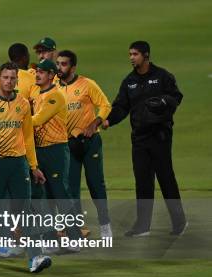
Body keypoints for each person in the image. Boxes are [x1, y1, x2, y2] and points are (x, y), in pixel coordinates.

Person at [97, 41, 187, 236]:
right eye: (130, 54)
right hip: (139, 138)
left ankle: (179, 222)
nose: (131, 58)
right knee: (143, 180)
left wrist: (164, 101)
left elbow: (176, 96)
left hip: (160, 135)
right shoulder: (129, 81)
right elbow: (121, 106)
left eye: (135, 54)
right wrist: (108, 121)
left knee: (166, 178)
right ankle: (143, 225)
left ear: (146, 55)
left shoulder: (162, 76)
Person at [0, 62, 51, 273]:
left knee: (25, 212)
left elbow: (27, 137)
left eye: (12, 78)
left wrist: (33, 166)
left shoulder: (23, 104)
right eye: (5, 77)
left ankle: (35, 258)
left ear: (17, 80)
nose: (8, 81)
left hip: (18, 164)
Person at [55, 50, 113, 238]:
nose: (60, 67)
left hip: (89, 142)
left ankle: (105, 224)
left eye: (64, 64)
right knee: (71, 188)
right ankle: (77, 228)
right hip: (67, 145)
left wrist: (94, 123)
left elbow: (105, 105)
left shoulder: (87, 84)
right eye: (58, 63)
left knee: (96, 184)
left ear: (73, 67)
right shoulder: (53, 86)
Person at [31, 59, 82, 249]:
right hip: (39, 150)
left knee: (60, 193)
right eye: (37, 71)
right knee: (44, 197)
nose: (38, 74)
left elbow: (37, 120)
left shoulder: (56, 96)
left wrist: (14, 116)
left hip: (56, 150)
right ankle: (50, 240)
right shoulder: (37, 94)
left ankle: (75, 238)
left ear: (52, 75)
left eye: (42, 72)